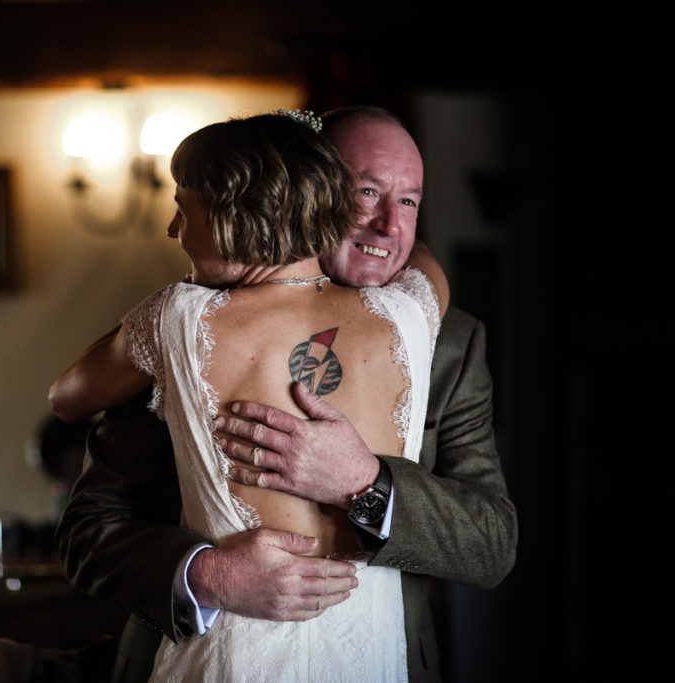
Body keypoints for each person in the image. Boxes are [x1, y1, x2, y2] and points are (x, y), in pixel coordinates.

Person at [55, 107, 517, 682]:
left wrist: (366, 486)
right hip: (208, 652)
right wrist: (208, 576)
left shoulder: (449, 341)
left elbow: (491, 543)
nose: (389, 228)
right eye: (367, 192)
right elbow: (89, 530)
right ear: (305, 191)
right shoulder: (185, 327)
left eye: (409, 202)